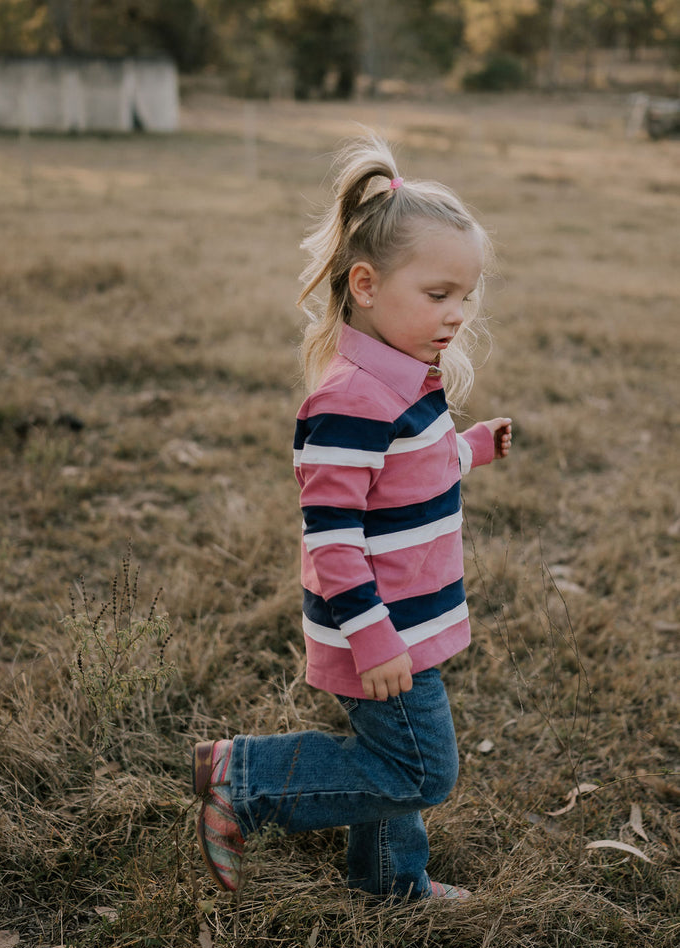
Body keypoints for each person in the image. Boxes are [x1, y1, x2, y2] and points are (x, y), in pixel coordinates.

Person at [192, 136, 512, 901]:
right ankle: (244, 780)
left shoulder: (406, 382)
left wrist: (472, 446)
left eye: (465, 296)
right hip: (381, 629)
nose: (457, 315)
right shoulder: (351, 400)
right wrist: (373, 636)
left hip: (407, 620)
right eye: (438, 295)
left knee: (390, 758)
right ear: (365, 284)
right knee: (420, 768)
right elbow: (331, 540)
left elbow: (411, 472)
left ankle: (388, 881)